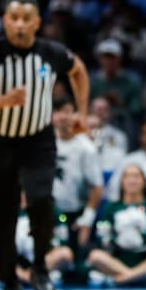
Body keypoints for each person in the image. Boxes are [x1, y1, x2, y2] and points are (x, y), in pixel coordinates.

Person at [0, 0, 89, 290]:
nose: (20, 24)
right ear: (6, 21)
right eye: (14, 18)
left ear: (38, 23)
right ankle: (9, 283)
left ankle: (40, 268)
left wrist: (81, 111)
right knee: (2, 217)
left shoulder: (50, 53)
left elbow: (77, 70)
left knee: (40, 200)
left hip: (38, 141)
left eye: (27, 18)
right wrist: (1, 102)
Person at [87, 164, 146, 286]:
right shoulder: (110, 208)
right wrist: (118, 239)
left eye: (136, 176)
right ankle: (136, 276)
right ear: (122, 182)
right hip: (118, 258)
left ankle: (121, 279)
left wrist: (143, 236)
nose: (132, 180)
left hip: (145, 258)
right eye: (127, 176)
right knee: (95, 256)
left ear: (144, 181)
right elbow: (102, 236)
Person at [52, 96, 103, 276]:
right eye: (57, 112)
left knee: (78, 269)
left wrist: (87, 219)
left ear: (76, 115)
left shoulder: (86, 148)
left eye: (67, 111)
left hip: (74, 215)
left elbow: (96, 187)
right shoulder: (43, 143)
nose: (62, 117)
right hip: (48, 213)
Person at [0, 191, 73, 285]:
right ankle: (19, 276)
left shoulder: (51, 210)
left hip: (43, 258)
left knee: (65, 253)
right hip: (13, 259)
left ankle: (37, 273)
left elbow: (62, 238)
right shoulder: (6, 210)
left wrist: (50, 243)